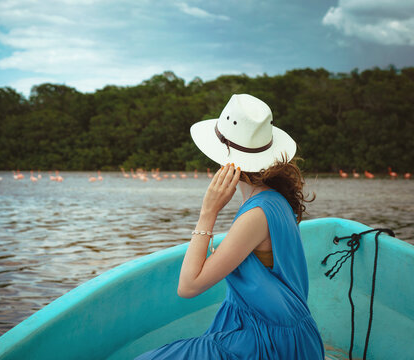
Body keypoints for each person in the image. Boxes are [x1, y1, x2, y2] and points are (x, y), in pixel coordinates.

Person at [135, 94, 324, 359]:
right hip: (284, 331)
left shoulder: (256, 214)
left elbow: (188, 287)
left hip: (268, 341)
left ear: (226, 158)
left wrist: (208, 212)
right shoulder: (272, 199)